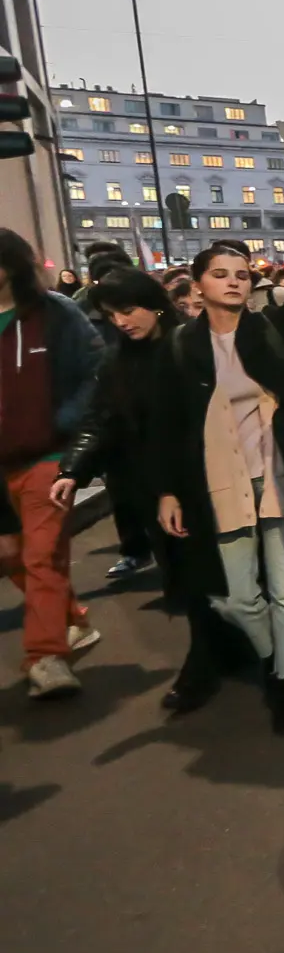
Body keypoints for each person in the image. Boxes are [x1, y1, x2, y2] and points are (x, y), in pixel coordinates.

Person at [148, 242, 284, 733]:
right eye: (220, 274)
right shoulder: (180, 346)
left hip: (277, 477)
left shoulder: (268, 329)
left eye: (242, 275)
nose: (233, 282)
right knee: (235, 597)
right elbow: (165, 424)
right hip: (218, 486)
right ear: (198, 283)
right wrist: (167, 491)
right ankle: (274, 657)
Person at [54, 268, 252, 713]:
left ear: (155, 303)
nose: (122, 322)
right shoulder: (116, 361)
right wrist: (73, 470)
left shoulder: (194, 348)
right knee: (186, 573)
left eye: (129, 310)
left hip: (210, 482)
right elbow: (99, 419)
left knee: (219, 570)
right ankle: (213, 652)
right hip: (153, 488)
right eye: (111, 315)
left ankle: (214, 655)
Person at [0, 229, 106, 700]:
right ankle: (73, 620)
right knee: (11, 556)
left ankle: (45, 657)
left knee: (42, 555)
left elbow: (95, 368)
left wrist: (67, 423)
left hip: (48, 455)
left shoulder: (54, 313)